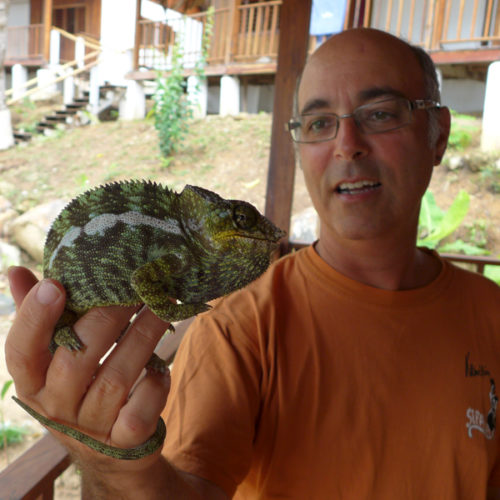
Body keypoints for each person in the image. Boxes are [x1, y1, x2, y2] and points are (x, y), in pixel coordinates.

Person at [6, 28, 500, 499]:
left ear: (439, 136)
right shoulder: (237, 325)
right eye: (320, 123)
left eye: (381, 113)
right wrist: (114, 469)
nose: (347, 144)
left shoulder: (491, 311)